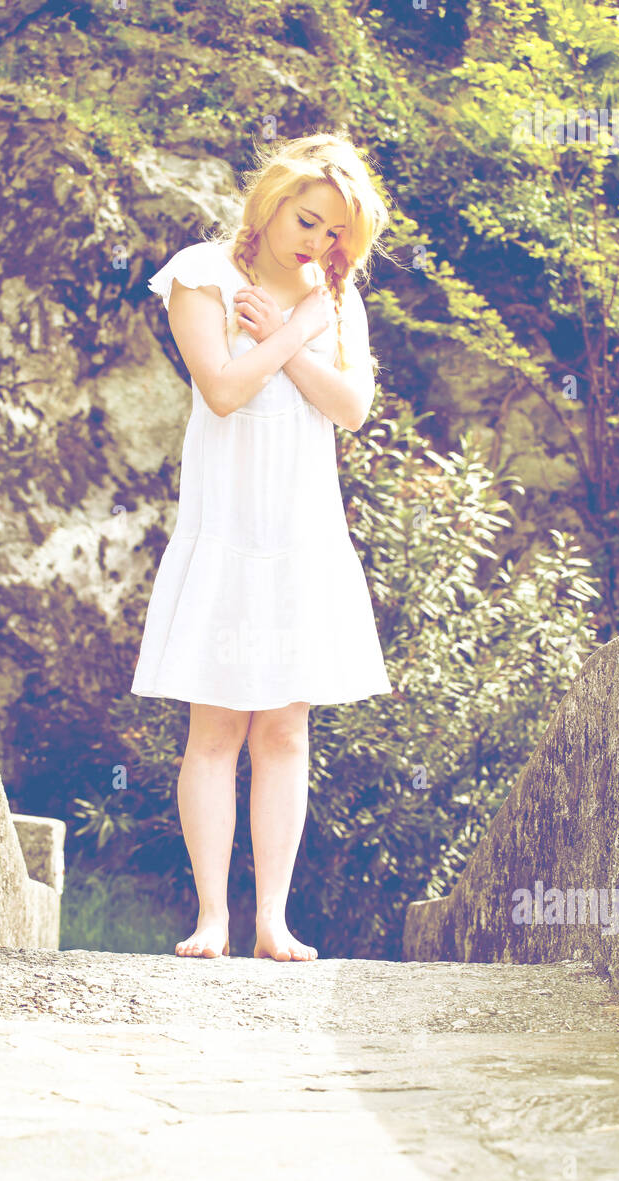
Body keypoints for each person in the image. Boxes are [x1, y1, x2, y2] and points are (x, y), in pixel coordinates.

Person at [132, 131, 393, 962]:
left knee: (284, 728)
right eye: (308, 221)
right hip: (228, 528)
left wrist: (301, 323)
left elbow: (351, 408)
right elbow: (222, 390)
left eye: (335, 234)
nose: (318, 243)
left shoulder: (335, 298)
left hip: (304, 533)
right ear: (274, 198)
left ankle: (271, 921)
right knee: (216, 725)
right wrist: (290, 334)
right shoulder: (202, 273)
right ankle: (213, 916)